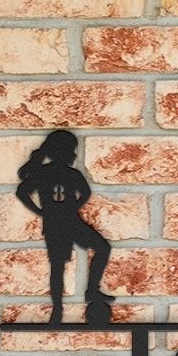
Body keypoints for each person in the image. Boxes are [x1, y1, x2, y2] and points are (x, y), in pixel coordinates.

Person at [15, 129, 113, 325]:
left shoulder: (46, 173)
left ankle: (86, 293)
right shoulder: (63, 173)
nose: (75, 154)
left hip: (61, 222)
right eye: (73, 150)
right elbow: (84, 193)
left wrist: (42, 210)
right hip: (62, 223)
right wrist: (52, 210)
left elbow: (22, 192)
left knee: (93, 251)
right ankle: (59, 309)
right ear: (63, 152)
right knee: (61, 265)